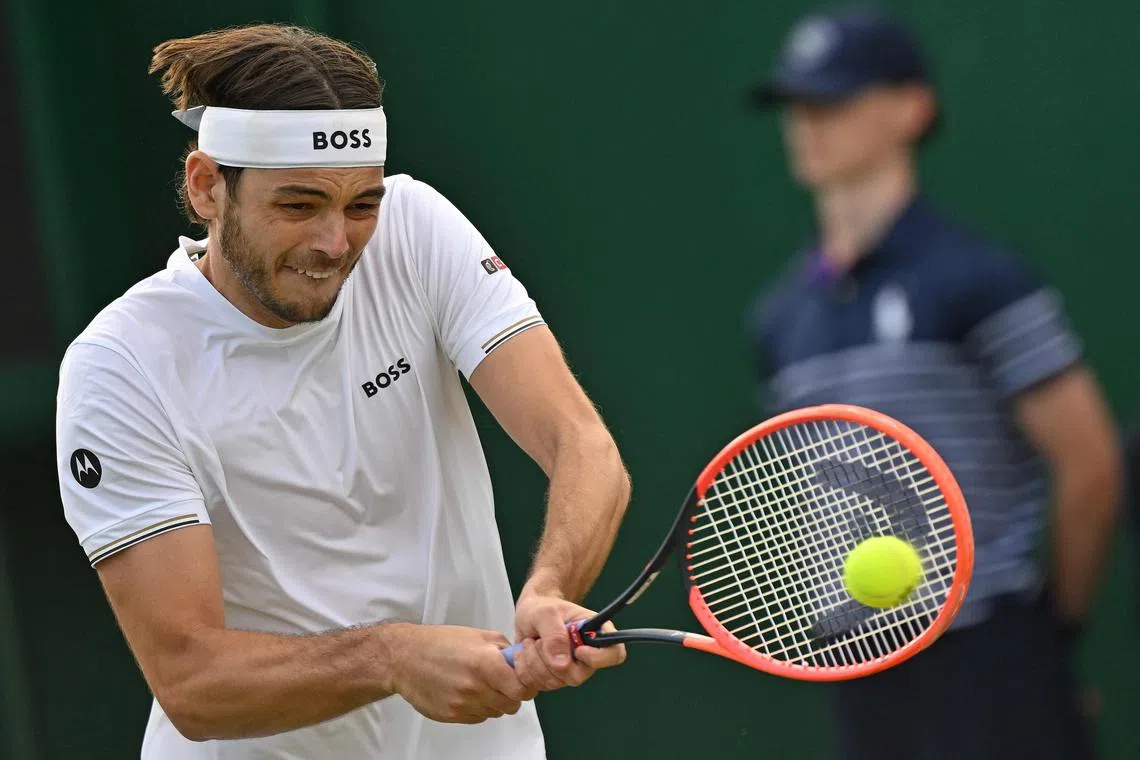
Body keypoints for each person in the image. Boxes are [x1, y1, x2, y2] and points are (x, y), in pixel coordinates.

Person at [54, 23, 630, 759]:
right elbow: (191, 680)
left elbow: (581, 443)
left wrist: (549, 589)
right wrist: (390, 658)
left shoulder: (416, 228)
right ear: (207, 187)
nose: (336, 243)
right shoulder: (121, 365)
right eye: (298, 206)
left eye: (361, 205)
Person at [745, 7, 1120, 759]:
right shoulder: (779, 318)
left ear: (911, 109)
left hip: (993, 663)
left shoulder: (982, 281)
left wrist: (1051, 635)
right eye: (798, 105)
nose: (809, 125)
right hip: (859, 668)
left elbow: (1092, 464)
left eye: (836, 100)